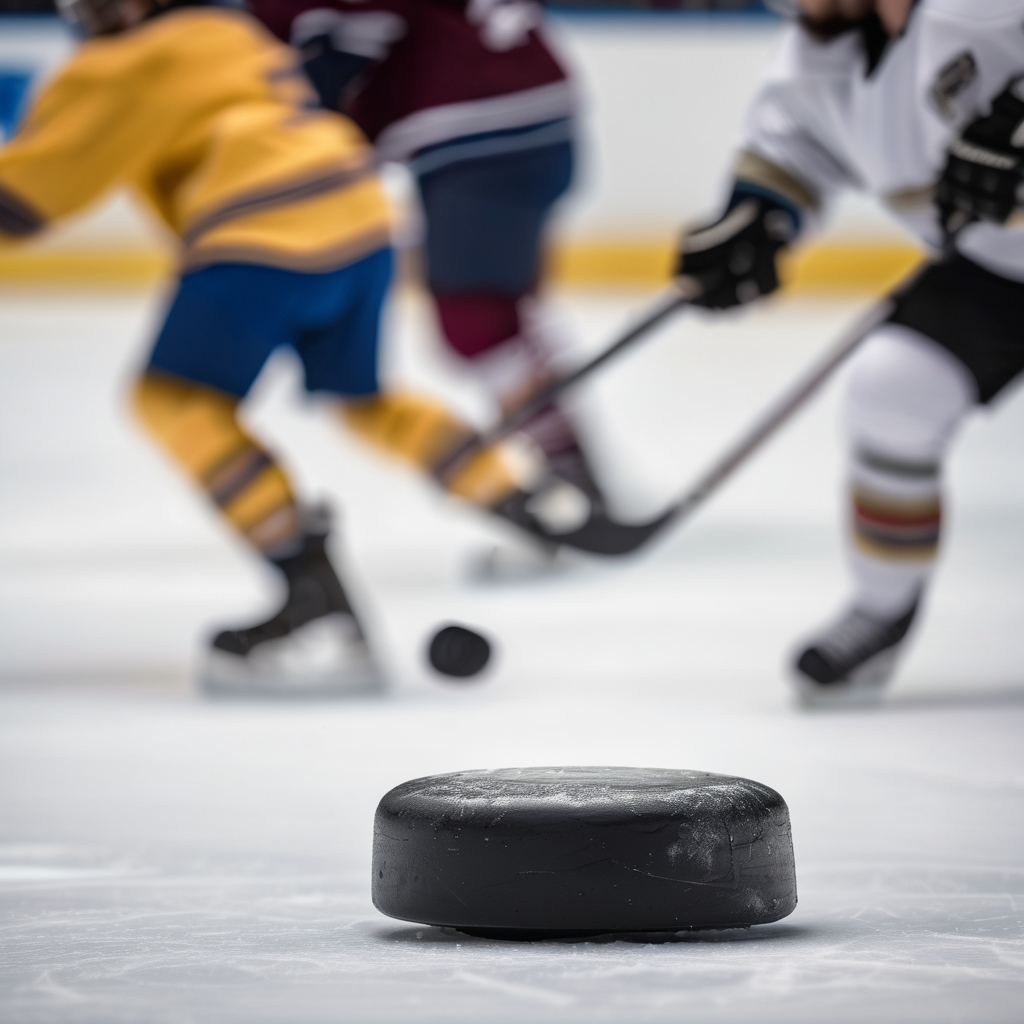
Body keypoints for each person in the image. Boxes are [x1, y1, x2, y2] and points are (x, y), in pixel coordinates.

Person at [0, 0, 543, 692]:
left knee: (174, 402)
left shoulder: (117, 66)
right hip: (359, 216)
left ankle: (315, 607)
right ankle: (519, 497)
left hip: (262, 229)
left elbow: (23, 200)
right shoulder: (225, 31)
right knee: (363, 401)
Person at [674, 0, 1024, 703]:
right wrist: (753, 219)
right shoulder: (821, 51)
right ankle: (880, 608)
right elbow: (792, 150)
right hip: (998, 264)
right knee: (893, 388)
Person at [248, 0, 609, 529]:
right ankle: (569, 459)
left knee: (475, 325)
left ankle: (571, 478)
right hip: (520, 111)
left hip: (483, 128)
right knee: (502, 322)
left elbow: (342, 51)